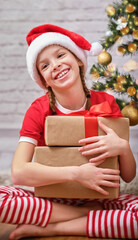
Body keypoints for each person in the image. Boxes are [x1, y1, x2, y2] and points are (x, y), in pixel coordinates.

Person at [0, 24, 137, 240]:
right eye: (44, 66)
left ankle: (54, 227)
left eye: (61, 55)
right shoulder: (38, 110)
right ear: (43, 81)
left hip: (101, 198)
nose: (55, 65)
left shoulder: (106, 102)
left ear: (79, 60)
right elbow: (18, 172)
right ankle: (87, 216)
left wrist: (122, 147)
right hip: (53, 201)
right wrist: (77, 174)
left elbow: (128, 176)